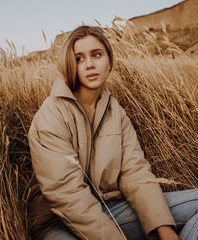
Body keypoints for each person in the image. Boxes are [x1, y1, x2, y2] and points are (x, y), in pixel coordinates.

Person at [28, 25, 198, 240]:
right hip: (59, 222)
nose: (89, 64)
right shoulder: (51, 114)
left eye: (97, 55)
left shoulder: (115, 112)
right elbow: (67, 195)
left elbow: (134, 173)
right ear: (69, 64)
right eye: (79, 58)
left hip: (111, 209)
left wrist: (164, 229)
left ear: (110, 60)